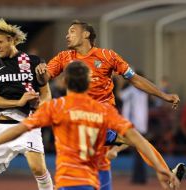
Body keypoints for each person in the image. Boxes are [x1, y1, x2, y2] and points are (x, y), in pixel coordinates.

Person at [0, 61, 180, 190]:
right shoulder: (104, 111)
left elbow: (18, 129)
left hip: (66, 181)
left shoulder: (56, 107)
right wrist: (161, 169)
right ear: (89, 83)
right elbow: (137, 139)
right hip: (90, 181)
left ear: (65, 82)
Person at [35, 20, 183, 190]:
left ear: (86, 34)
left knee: (133, 140)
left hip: (103, 119)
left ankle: (166, 172)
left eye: (72, 31)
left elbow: (134, 79)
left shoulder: (107, 56)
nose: (67, 35)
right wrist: (39, 71)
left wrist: (163, 95)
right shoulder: (63, 57)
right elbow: (44, 78)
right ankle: (166, 173)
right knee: (108, 157)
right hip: (76, 119)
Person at [0, 19, 53, 190]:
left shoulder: (33, 61)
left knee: (38, 168)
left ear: (11, 40)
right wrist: (19, 101)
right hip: (0, 125)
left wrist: (39, 106)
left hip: (28, 123)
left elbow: (46, 95)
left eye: (0, 42)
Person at [120, 78, 149, 184]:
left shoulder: (132, 90)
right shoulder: (144, 92)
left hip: (134, 126)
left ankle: (138, 178)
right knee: (141, 152)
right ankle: (141, 177)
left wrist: (120, 83)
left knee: (137, 153)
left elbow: (120, 96)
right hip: (142, 125)